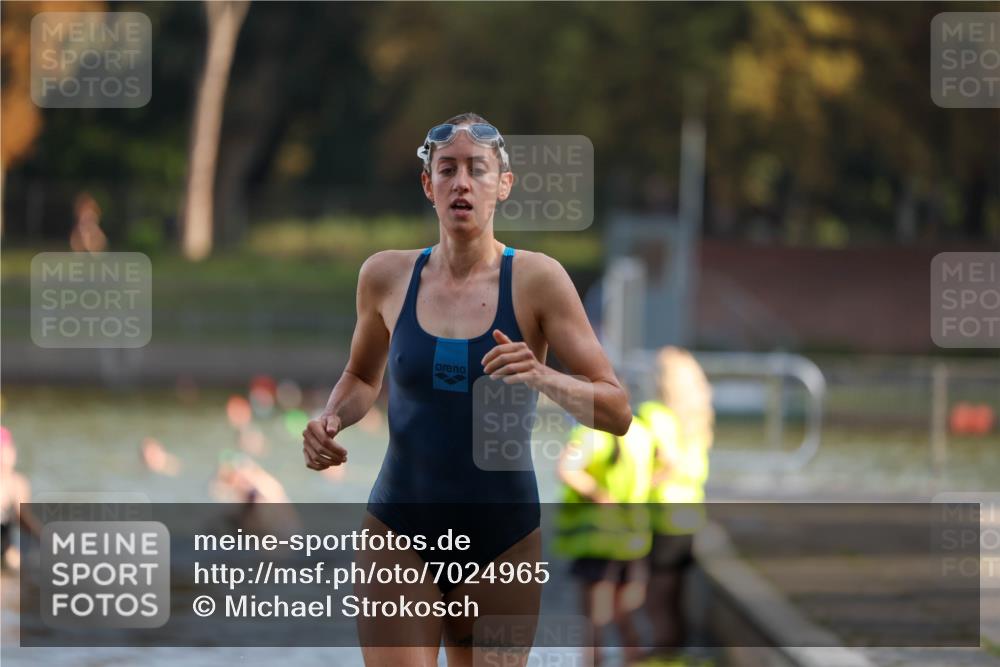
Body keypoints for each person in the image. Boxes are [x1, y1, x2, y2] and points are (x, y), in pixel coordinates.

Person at [301, 112, 632, 667]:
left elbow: (617, 410)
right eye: (447, 169)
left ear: (502, 184)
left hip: (502, 540)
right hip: (400, 531)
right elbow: (361, 378)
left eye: (477, 170)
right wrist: (330, 419)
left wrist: (543, 376)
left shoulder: (537, 280)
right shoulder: (385, 276)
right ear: (428, 185)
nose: (462, 183)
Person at [556, 417, 656, 666]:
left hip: (598, 538)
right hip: (634, 535)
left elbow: (567, 470)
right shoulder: (642, 431)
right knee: (627, 614)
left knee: (594, 622)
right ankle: (634, 661)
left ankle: (594, 662)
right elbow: (667, 465)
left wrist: (600, 495)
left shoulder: (590, 433)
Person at [639, 347, 713, 659]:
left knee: (656, 598)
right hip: (689, 516)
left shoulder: (655, 414)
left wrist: (635, 491)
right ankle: (673, 655)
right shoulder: (699, 416)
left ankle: (661, 655)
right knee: (675, 595)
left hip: (661, 516)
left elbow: (665, 462)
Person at [1, 427, 40, 571]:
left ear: (13, 453)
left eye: (4, 451)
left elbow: (24, 520)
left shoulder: (18, 483)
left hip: (6, 548)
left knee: (14, 559)